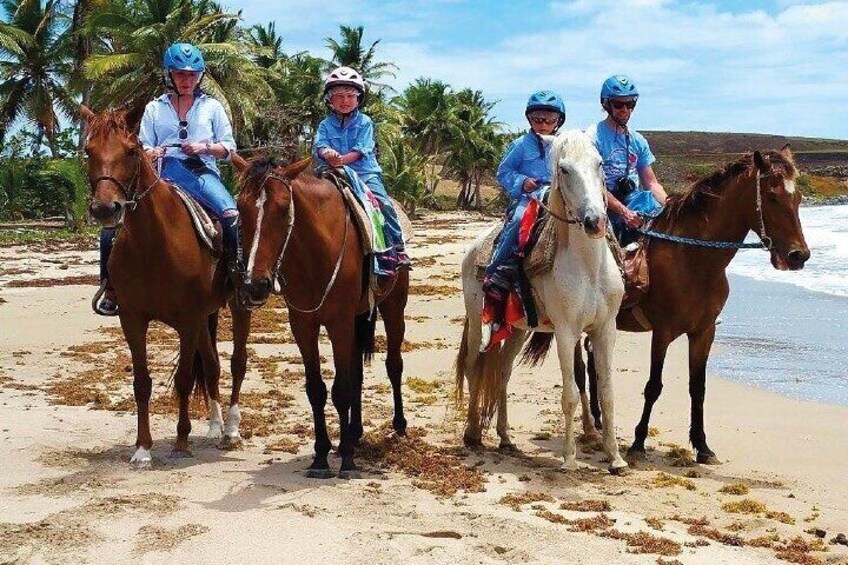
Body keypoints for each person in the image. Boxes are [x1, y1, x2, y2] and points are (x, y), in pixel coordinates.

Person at [94, 42, 242, 316]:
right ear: (170, 76)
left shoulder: (213, 107)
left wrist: (205, 147)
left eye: (191, 75)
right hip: (161, 175)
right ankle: (111, 287)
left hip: (201, 172)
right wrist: (151, 150)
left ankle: (236, 278)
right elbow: (143, 145)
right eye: (180, 74)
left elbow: (228, 148)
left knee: (231, 215)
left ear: (199, 77)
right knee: (113, 228)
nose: (186, 80)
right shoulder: (154, 108)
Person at [480, 90, 566, 350]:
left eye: (549, 119)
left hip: (558, 198)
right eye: (537, 119)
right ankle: (498, 273)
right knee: (519, 221)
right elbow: (504, 172)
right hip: (530, 199)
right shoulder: (519, 145)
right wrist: (522, 182)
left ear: (558, 121)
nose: (543, 124)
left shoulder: (565, 144)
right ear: (529, 120)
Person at [311, 66, 410, 270]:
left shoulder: (365, 122)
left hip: (364, 174)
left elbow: (361, 150)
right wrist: (326, 153)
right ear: (329, 100)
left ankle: (398, 248)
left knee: (383, 203)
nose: (345, 101)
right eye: (339, 96)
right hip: (331, 173)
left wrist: (341, 159)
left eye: (350, 96)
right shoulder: (324, 125)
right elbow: (319, 146)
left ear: (358, 99)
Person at [587, 74, 667, 247]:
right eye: (618, 104)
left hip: (632, 200)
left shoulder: (638, 140)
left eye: (630, 104)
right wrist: (624, 213)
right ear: (606, 104)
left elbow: (652, 183)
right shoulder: (592, 137)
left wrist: (671, 207)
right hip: (601, 201)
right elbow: (593, 185)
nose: (625, 109)